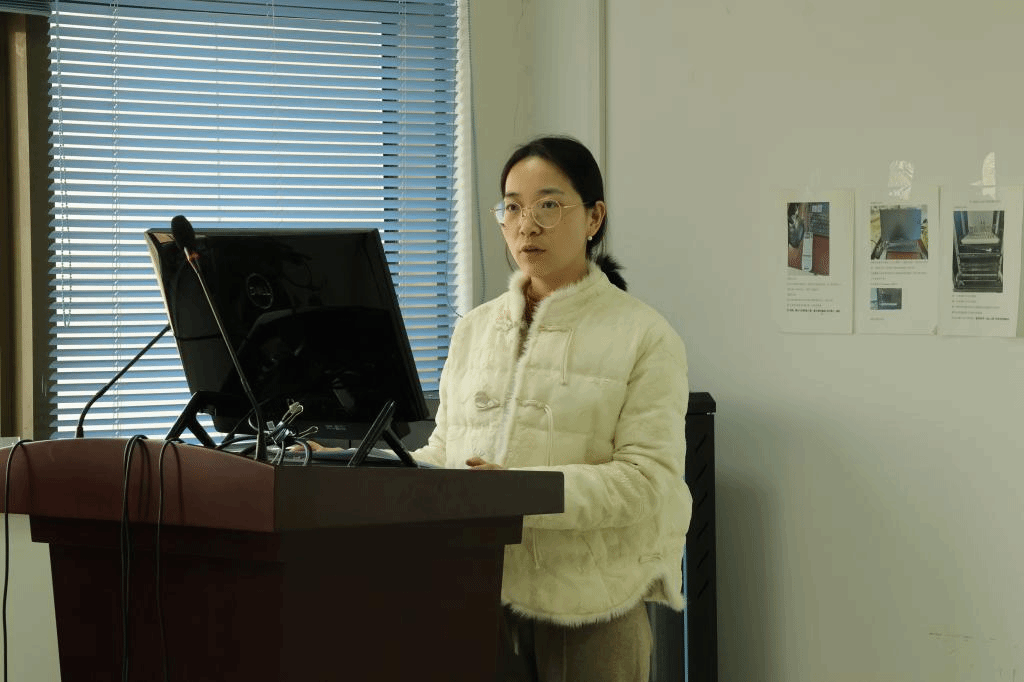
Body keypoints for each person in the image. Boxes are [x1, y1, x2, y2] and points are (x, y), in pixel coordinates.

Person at [412, 135, 691, 682]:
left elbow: (647, 480)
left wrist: (519, 491)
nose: (526, 226)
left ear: (594, 218)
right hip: (478, 591)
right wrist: (355, 462)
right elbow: (444, 452)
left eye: (547, 205)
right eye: (512, 207)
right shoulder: (474, 329)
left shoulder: (644, 335)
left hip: (591, 604)